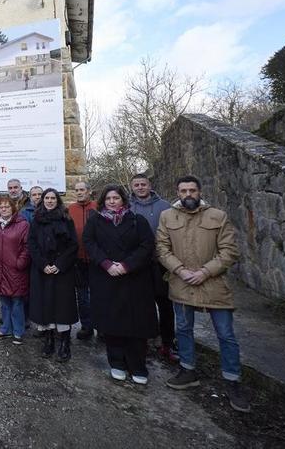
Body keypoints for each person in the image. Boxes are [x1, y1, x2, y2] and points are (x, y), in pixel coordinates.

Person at [157, 175, 247, 412]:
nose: (188, 194)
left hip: (214, 284)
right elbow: (162, 248)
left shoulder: (217, 216)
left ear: (199, 192)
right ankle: (188, 370)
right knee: (184, 329)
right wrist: (180, 270)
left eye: (192, 190)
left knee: (226, 334)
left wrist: (206, 271)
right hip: (182, 283)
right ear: (177, 193)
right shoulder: (167, 217)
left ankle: (232, 380)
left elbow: (229, 251)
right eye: (183, 190)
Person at [83, 185, 158, 384]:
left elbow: (147, 245)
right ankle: (116, 362)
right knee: (112, 322)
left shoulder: (136, 220)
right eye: (108, 198)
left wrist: (126, 265)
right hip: (106, 277)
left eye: (116, 198)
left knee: (136, 324)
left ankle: (137, 365)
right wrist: (107, 264)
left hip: (133, 278)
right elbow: (89, 243)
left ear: (123, 200)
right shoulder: (95, 221)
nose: (112, 201)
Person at [130, 173, 177, 363]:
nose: (140, 187)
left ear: (150, 185)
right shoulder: (127, 208)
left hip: (162, 263)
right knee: (141, 303)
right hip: (139, 264)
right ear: (132, 187)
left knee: (165, 304)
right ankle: (146, 339)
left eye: (143, 184)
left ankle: (167, 342)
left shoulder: (165, 206)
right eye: (137, 185)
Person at [28, 189, 79, 361]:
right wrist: (43, 265)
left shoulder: (66, 219)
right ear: (42, 200)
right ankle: (49, 339)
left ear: (58, 200)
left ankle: (65, 342)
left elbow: (73, 245)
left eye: (53, 198)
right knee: (45, 305)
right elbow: (32, 244)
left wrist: (59, 265)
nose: (50, 201)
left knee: (62, 307)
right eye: (47, 198)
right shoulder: (36, 220)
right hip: (43, 269)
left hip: (61, 270)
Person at [0, 197, 30, 345]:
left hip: (16, 270)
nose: (4, 209)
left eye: (7, 207)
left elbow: (27, 246)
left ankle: (18, 331)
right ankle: (5, 329)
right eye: (1, 207)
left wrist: (20, 262)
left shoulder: (22, 224)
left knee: (17, 301)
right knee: (4, 301)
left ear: (13, 208)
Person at [67, 181, 97, 341]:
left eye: (82, 190)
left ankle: (102, 326)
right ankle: (86, 326)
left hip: (96, 259)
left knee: (99, 294)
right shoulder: (70, 209)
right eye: (76, 190)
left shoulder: (97, 207)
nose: (79, 192)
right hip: (78, 259)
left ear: (89, 191)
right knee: (82, 296)